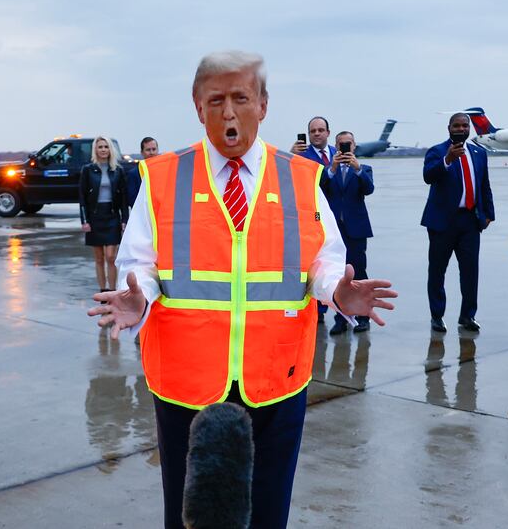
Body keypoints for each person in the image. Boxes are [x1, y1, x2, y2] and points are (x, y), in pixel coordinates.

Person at [87, 51, 397, 529]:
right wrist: (139, 296)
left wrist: (338, 291)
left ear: (264, 104)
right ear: (197, 106)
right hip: (186, 380)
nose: (228, 112)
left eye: (240, 98)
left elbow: (323, 259)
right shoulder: (163, 177)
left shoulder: (300, 177)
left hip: (276, 375)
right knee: (189, 514)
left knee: (269, 510)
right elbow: (138, 261)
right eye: (216, 100)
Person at [421, 112, 495, 333]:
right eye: (457, 125)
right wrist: (448, 160)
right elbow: (428, 176)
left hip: (470, 221)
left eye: (465, 125)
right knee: (437, 271)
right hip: (442, 221)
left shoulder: (479, 153)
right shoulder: (436, 151)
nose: (461, 129)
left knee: (470, 271)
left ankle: (468, 316)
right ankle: (437, 316)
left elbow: (484, 185)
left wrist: (489, 213)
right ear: (449, 128)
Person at [322, 130, 375, 335]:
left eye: (349, 144)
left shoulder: (365, 169)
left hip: (356, 229)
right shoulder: (329, 171)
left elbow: (369, 189)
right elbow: (321, 188)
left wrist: (358, 169)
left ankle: (363, 317)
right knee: (337, 276)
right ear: (336, 147)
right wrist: (333, 168)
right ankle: (341, 318)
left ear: (354, 146)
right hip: (335, 230)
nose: (345, 147)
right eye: (341, 144)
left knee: (359, 274)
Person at [291, 116, 336, 324]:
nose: (316, 134)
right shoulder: (300, 156)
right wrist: (291, 158)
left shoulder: (339, 154)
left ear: (328, 132)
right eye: (313, 131)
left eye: (320, 130)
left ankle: (344, 314)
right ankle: (317, 313)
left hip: (341, 219)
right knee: (313, 267)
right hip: (313, 218)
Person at [79, 136, 128, 294]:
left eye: (106, 147)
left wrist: (124, 220)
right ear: (95, 150)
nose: (103, 150)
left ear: (110, 150)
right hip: (95, 217)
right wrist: (85, 220)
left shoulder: (118, 170)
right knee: (99, 258)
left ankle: (112, 290)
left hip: (112, 216)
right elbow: (82, 197)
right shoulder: (88, 170)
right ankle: (103, 291)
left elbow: (123, 199)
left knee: (111, 256)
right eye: (100, 147)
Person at [127, 137, 159, 208]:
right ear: (142, 152)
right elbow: (132, 199)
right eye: (148, 150)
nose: (151, 152)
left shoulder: (164, 171)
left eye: (154, 149)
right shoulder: (134, 173)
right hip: (142, 214)